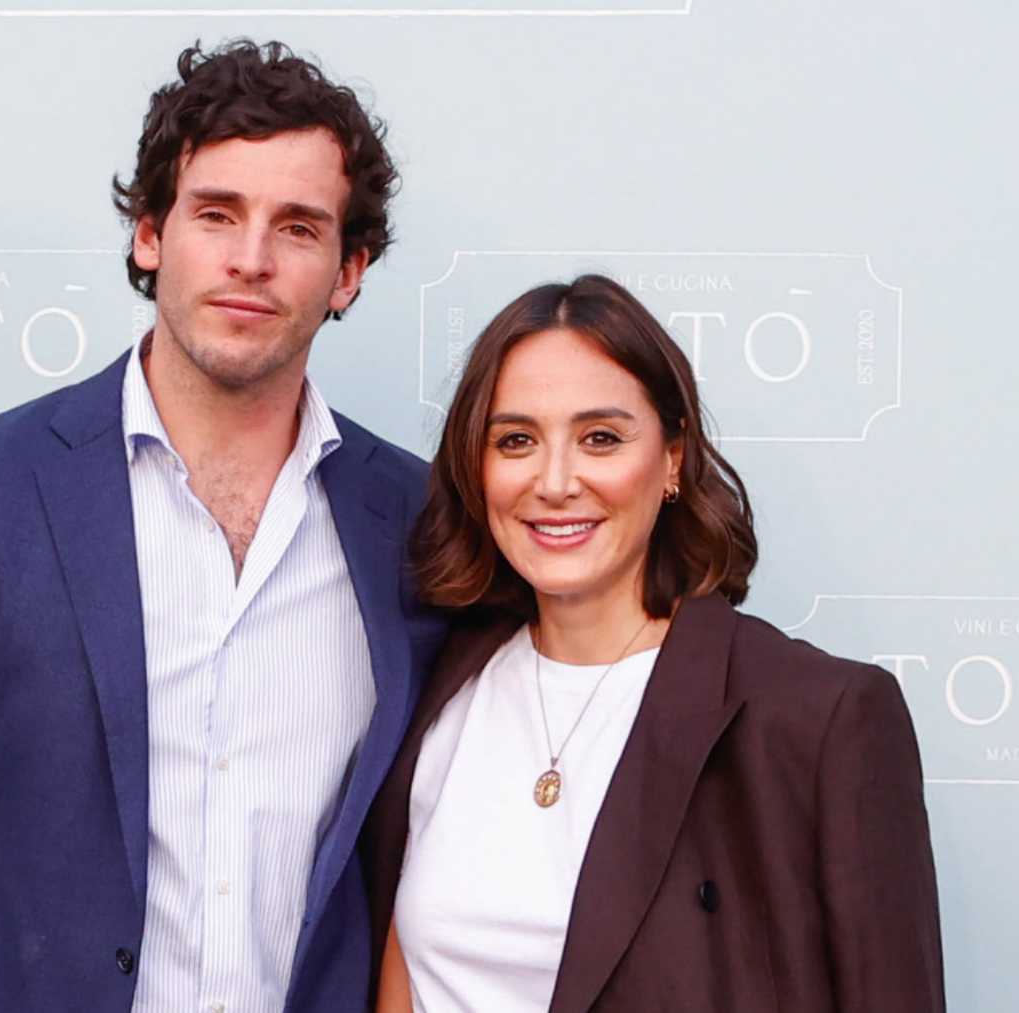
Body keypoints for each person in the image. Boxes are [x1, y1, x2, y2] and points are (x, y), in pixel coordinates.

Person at [0, 40, 446, 1013]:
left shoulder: (419, 526)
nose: (251, 257)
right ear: (149, 234)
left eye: (298, 227)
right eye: (216, 214)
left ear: (350, 271)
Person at [366, 275, 944, 1012]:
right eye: (516, 440)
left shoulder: (816, 718)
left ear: (672, 459)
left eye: (600, 438)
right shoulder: (437, 685)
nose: (554, 480)